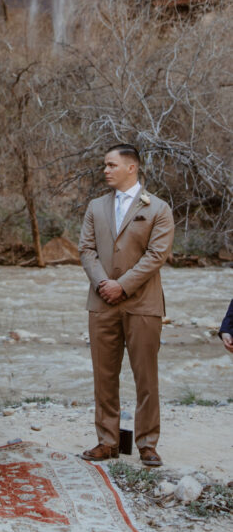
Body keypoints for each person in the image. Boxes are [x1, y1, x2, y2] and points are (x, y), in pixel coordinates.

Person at [79, 144, 174, 468]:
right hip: (101, 301)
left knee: (145, 377)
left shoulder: (158, 208)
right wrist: (104, 283)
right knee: (104, 375)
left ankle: (147, 443)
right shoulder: (95, 206)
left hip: (143, 304)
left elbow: (156, 255)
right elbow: (86, 249)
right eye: (104, 165)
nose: (105, 170)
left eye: (111, 165)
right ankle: (108, 441)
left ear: (131, 168)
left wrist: (124, 285)